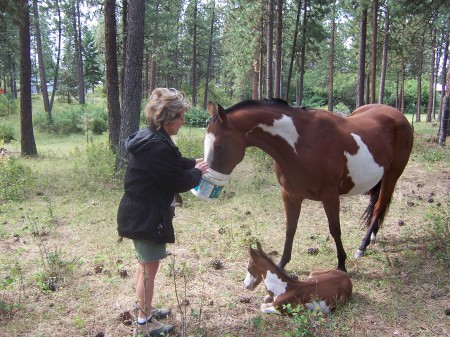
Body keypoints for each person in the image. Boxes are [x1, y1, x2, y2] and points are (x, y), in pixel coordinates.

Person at [117, 88, 209, 336]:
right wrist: (197, 173)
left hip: (142, 212)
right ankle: (144, 322)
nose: (183, 121)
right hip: (146, 215)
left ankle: (143, 308)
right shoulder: (157, 146)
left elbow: (174, 162)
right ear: (169, 118)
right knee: (149, 268)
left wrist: (194, 163)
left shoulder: (154, 138)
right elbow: (177, 182)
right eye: (181, 117)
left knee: (144, 264)